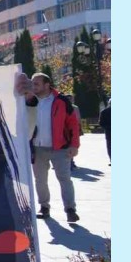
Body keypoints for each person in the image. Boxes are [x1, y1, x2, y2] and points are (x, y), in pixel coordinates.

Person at [26, 73, 82, 222]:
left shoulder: (61, 101)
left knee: (65, 179)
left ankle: (70, 209)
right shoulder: (30, 101)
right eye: (32, 83)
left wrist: (74, 145)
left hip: (60, 148)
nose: (34, 86)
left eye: (37, 83)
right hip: (38, 148)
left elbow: (73, 124)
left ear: (47, 84)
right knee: (40, 180)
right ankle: (44, 207)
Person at [99, 99, 111, 163]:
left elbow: (101, 123)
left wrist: (107, 127)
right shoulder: (104, 112)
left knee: (110, 146)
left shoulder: (104, 111)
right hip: (109, 131)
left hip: (108, 131)